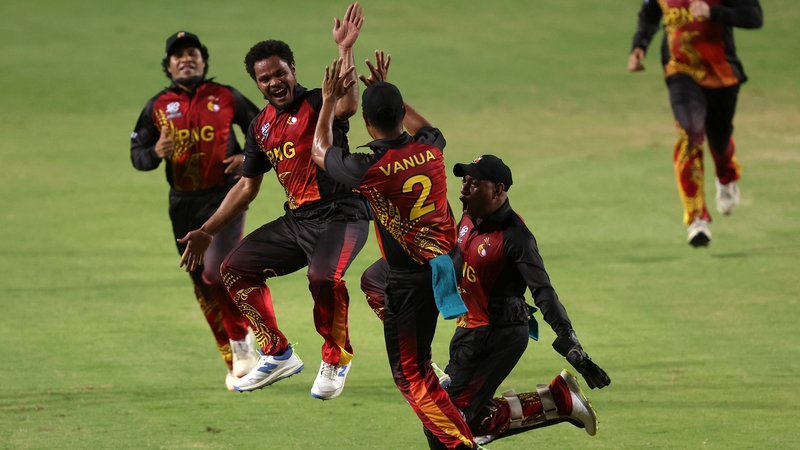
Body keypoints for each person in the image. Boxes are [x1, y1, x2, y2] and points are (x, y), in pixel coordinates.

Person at [178, 4, 369, 401]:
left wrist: (345, 49)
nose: (275, 82)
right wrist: (206, 232)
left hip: (342, 214)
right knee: (233, 270)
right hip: (298, 221)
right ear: (258, 84)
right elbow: (247, 189)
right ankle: (277, 353)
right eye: (265, 79)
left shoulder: (320, 101)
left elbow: (348, 105)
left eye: (280, 73)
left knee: (322, 278)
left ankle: (336, 358)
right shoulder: (260, 125)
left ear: (293, 69)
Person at [360, 154, 612, 448]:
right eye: (464, 181)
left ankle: (558, 400)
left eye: (475, 184)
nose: (464, 189)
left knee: (444, 423)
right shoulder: (467, 217)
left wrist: (570, 342)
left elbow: (544, 291)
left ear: (498, 190)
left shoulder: (516, 237)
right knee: (465, 419)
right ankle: (558, 400)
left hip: (496, 337)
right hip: (468, 332)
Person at [312, 52, 477, 449]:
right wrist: (386, 94)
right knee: (372, 279)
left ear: (367, 122)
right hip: (448, 259)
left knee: (410, 377)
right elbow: (430, 127)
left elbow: (319, 149)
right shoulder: (431, 147)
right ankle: (415, 338)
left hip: (414, 279)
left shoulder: (367, 166)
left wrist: (328, 101)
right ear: (401, 115)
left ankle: (462, 444)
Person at [130, 31, 260, 391]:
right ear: (168, 65)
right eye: (178, 55)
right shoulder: (157, 106)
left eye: (193, 53)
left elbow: (263, 128)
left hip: (224, 197)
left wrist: (246, 159)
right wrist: (155, 152)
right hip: (182, 204)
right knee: (201, 283)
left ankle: (244, 342)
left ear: (204, 60)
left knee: (217, 273)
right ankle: (237, 356)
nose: (186, 59)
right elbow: (137, 154)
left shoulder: (226, 96)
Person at [627, 0, 763, 246]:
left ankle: (726, 175)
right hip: (680, 72)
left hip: (722, 73)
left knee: (719, 139)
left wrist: (713, 12)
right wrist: (639, 45)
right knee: (691, 134)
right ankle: (696, 219)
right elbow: (649, 14)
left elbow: (754, 17)